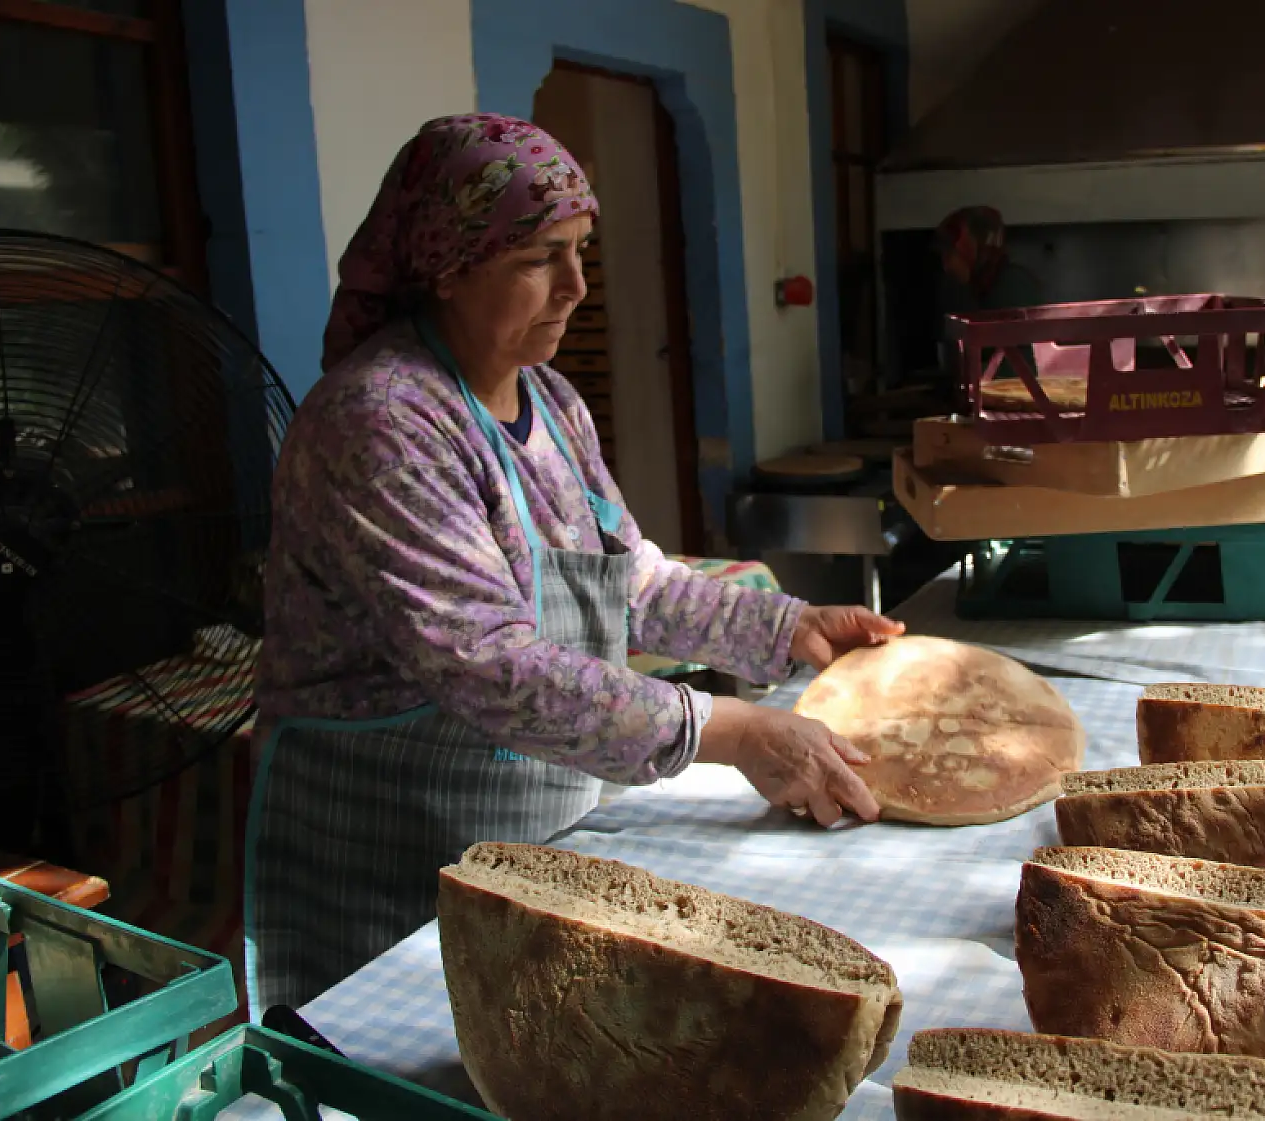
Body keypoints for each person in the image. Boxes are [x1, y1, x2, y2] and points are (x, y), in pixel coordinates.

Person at [248, 113, 904, 1016]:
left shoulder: (549, 399)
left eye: (582, 251)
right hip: (391, 835)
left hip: (530, 813)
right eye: (539, 258)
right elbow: (488, 662)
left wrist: (788, 627)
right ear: (448, 265)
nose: (577, 287)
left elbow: (627, 577)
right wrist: (733, 731)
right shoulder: (382, 421)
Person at [934, 206, 1045, 383]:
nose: (946, 265)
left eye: (951, 253)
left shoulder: (1012, 284)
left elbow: (1013, 370)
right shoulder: (976, 284)